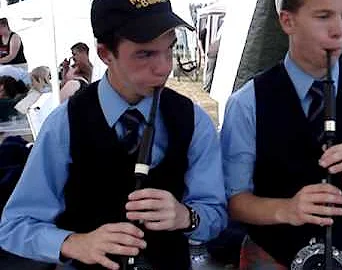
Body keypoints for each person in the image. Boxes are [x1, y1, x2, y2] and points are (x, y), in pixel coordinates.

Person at [0, 0, 227, 269]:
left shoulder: (193, 120)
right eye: (145, 54)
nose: (164, 67)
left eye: (169, 49)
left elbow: (216, 213)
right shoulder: (65, 125)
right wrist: (74, 242)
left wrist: (187, 216)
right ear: (105, 53)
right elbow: (14, 225)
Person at [220, 0, 342, 269]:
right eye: (323, 16)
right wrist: (287, 209)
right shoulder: (247, 102)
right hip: (271, 252)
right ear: (288, 21)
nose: (339, 30)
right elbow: (234, 200)